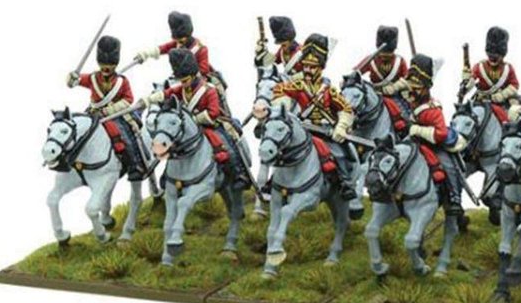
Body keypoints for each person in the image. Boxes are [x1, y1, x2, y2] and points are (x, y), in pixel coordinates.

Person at [145, 48, 251, 189]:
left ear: (194, 75)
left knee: (223, 141)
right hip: (189, 126)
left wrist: (193, 120)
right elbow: (167, 93)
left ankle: (238, 172)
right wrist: (150, 99)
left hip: (210, 124)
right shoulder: (182, 88)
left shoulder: (209, 90)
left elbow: (213, 113)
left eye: (185, 80)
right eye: (181, 81)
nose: (183, 84)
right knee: (174, 143)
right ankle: (169, 174)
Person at [271, 33, 357, 199]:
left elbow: (346, 109)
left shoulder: (329, 91)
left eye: (312, 67)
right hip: (303, 129)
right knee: (281, 149)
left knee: (338, 154)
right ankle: (273, 182)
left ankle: (345, 183)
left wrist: (340, 127)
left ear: (320, 68)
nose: (308, 70)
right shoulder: (298, 85)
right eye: (305, 66)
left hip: (324, 130)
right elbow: (279, 91)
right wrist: (283, 108)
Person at [66, 35, 149, 176]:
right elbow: (74, 82)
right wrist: (71, 78)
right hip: (93, 113)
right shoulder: (92, 78)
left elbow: (128, 100)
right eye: (103, 65)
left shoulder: (122, 82)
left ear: (115, 65)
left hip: (115, 115)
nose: (105, 68)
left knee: (124, 135)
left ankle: (134, 164)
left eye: (109, 65)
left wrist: (108, 111)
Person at [404, 54, 467, 215]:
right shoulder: (408, 101)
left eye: (417, 86)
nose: (412, 89)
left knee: (447, 165)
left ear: (426, 88)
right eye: (410, 84)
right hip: (412, 139)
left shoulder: (432, 110)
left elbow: (440, 134)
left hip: (433, 143)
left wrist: (418, 130)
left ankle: (454, 197)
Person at [135, 11, 230, 110]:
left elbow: (203, 70)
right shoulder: (178, 42)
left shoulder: (201, 49)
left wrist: (187, 75)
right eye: (177, 41)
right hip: (180, 77)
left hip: (196, 79)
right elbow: (164, 48)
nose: (179, 44)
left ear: (188, 36)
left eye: (181, 41)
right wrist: (146, 54)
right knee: (161, 90)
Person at [464, 26, 521, 123]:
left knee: (513, 115)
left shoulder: (508, 69)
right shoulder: (480, 67)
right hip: (481, 101)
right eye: (490, 55)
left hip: (501, 103)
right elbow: (472, 80)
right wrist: (465, 86)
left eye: (496, 56)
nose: (493, 59)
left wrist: (501, 96)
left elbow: (514, 85)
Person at [358, 25, 410, 111]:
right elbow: (357, 72)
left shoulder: (400, 61)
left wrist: (395, 87)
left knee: (405, 114)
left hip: (394, 96)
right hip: (374, 95)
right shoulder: (370, 60)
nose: (384, 57)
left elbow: (407, 79)